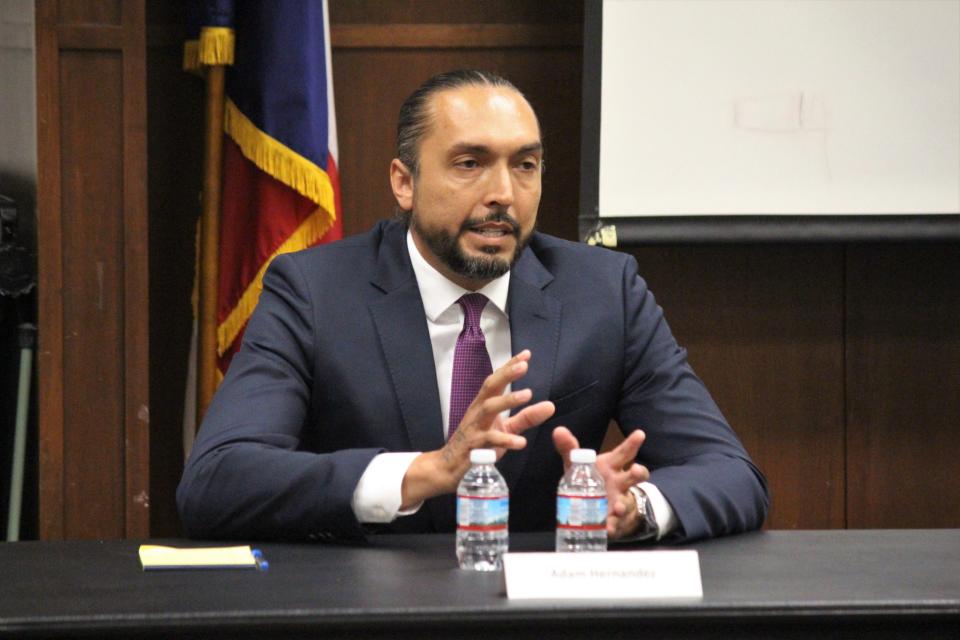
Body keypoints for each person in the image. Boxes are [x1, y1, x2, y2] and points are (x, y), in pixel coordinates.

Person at [177, 70, 768, 544]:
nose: (503, 194)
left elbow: (730, 473)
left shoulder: (603, 291)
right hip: (368, 613)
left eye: (525, 166)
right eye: (470, 163)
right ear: (403, 183)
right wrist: (426, 472)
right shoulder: (315, 290)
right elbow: (217, 479)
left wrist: (631, 508)